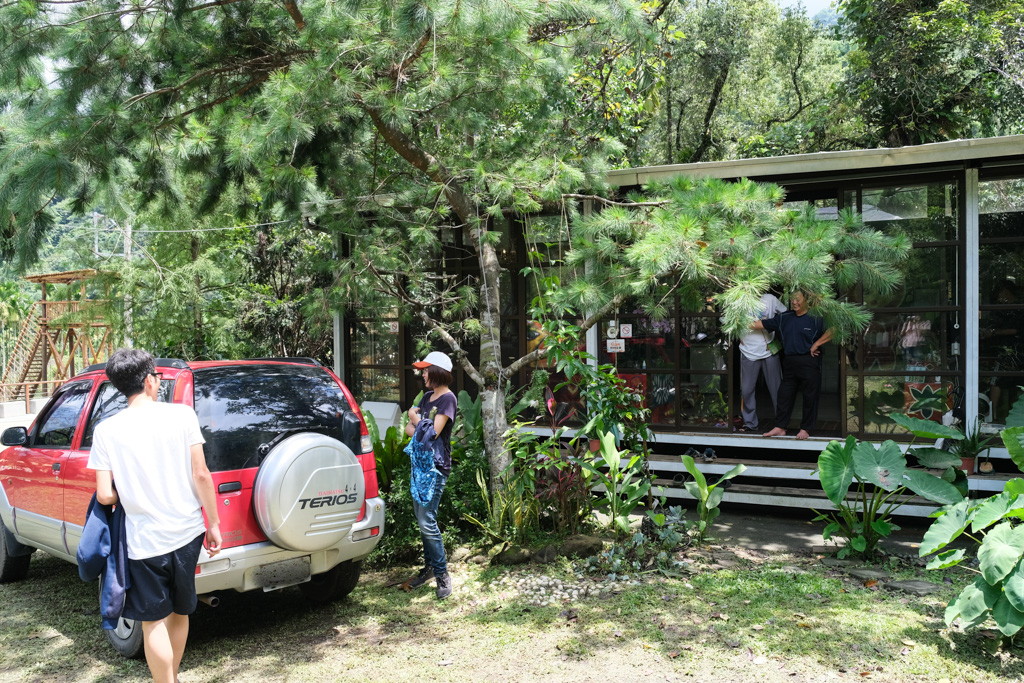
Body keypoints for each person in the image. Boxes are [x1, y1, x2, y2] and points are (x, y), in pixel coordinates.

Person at [88, 349, 222, 683]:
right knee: (181, 610)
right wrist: (214, 522)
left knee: (153, 621)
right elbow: (201, 474)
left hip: (144, 541)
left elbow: (104, 494)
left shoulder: (107, 430)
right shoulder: (182, 416)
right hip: (187, 532)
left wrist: (130, 492)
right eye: (158, 378)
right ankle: (173, 676)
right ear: (149, 380)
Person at [404, 351, 458, 599]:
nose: (422, 373)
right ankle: (429, 569)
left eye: (426, 369)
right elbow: (409, 432)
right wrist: (416, 424)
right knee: (421, 519)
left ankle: (442, 574)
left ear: (437, 371)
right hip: (419, 465)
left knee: (427, 519)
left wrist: (415, 418)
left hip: (435, 466)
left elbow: (432, 433)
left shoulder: (448, 399)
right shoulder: (427, 397)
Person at [753, 290, 833, 440]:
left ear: (807, 300)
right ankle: (780, 427)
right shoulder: (784, 317)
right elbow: (760, 324)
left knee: (810, 397)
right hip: (789, 362)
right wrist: (736, 321)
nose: (794, 302)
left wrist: (817, 343)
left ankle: (806, 429)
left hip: (809, 361)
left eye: (798, 299)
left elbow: (834, 329)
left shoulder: (817, 318)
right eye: (792, 300)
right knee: (784, 395)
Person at [736, 291, 787, 432]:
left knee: (777, 388)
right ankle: (750, 423)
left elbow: (785, 314)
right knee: (746, 390)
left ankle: (781, 423)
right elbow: (726, 320)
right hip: (748, 351)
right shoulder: (737, 297)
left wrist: (772, 325)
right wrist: (738, 333)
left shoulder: (770, 298)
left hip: (769, 350)